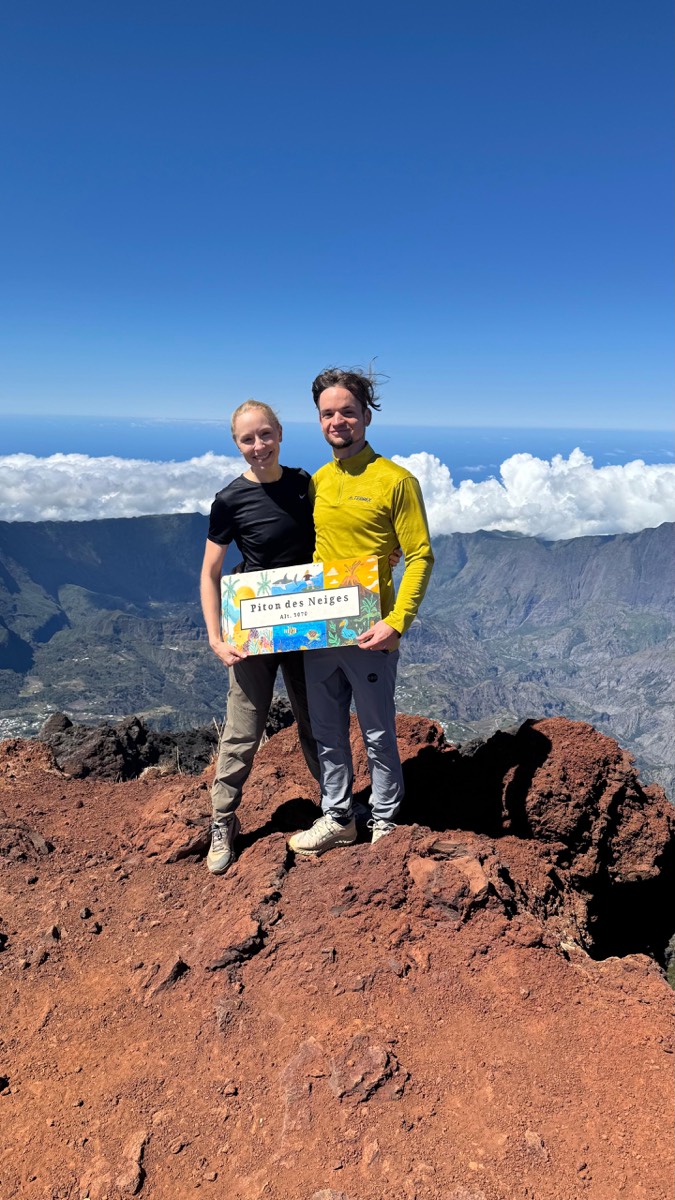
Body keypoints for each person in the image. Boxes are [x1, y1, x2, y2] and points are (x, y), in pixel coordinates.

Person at [288, 367, 434, 858]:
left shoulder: (396, 480)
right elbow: (313, 552)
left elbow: (420, 556)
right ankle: (338, 818)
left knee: (377, 732)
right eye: (328, 413)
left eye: (347, 411)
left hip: (372, 630)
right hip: (321, 630)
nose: (338, 421)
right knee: (327, 731)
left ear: (366, 416)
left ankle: (385, 821)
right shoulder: (318, 482)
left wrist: (397, 622)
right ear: (319, 420)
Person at [200, 400, 320, 874]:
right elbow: (210, 573)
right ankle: (222, 820)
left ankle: (336, 808)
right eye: (247, 439)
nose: (258, 446)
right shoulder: (229, 500)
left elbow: (335, 541)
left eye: (265, 434)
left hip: (308, 622)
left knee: (317, 721)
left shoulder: (304, 485)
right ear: (237, 444)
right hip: (252, 628)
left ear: (280, 433)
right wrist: (215, 637)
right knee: (243, 730)